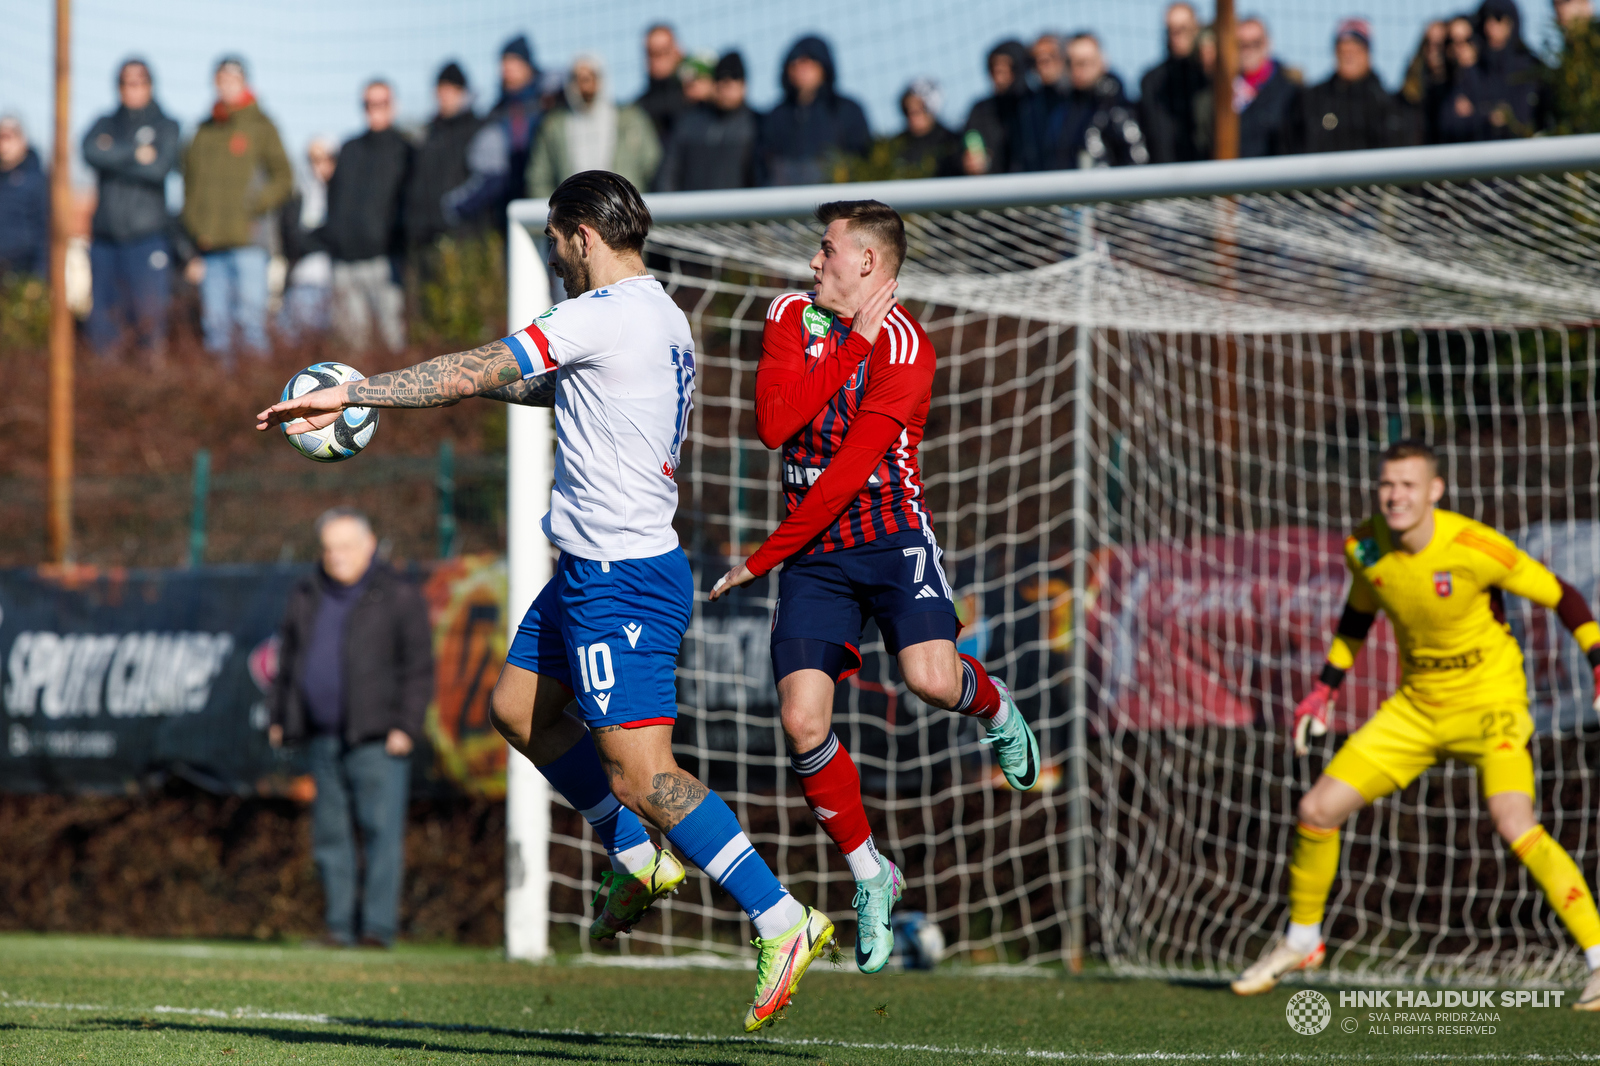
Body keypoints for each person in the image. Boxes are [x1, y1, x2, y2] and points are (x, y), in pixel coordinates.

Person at [258, 171, 833, 1033]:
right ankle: (636, 857)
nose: (555, 259)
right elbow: (544, 385)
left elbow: (471, 371)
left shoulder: (599, 313)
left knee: (644, 773)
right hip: (588, 574)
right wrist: (462, 380)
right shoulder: (657, 312)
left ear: (581, 236)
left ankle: (781, 917)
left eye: (557, 244)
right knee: (517, 709)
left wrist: (355, 390)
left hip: (621, 583)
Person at [708, 200, 1041, 975]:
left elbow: (849, 475)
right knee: (800, 721)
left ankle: (994, 708)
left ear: (868, 263)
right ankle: (870, 875)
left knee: (930, 678)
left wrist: (761, 560)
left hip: (889, 540)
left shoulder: (908, 346)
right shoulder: (790, 313)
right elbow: (773, 422)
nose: (812, 262)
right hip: (816, 557)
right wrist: (845, 345)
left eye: (826, 250)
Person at [1231, 441, 1600, 1010]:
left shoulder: (1474, 545)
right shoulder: (1366, 545)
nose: (1395, 495)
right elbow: (1359, 612)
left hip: (1489, 706)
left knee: (1514, 822)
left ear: (1434, 490)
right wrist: (1325, 690)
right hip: (1415, 710)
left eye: (1407, 484)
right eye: (1387, 485)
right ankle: (1302, 941)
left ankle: (1598, 957)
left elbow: (1563, 595)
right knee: (1316, 811)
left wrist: (1597, 661)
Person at [269, 507, 434, 949]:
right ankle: (338, 928)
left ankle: (377, 930)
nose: (336, 556)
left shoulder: (398, 595)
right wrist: (281, 717)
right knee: (330, 837)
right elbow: (287, 661)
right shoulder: (306, 593)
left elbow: (419, 669)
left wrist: (406, 725)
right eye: (328, 548)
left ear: (370, 546)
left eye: (345, 547)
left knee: (381, 834)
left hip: (378, 738)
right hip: (322, 737)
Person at [181, 56, 292, 356]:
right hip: (210, 247)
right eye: (221, 80)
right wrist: (195, 228)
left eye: (233, 79)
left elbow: (284, 177)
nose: (226, 86)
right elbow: (189, 186)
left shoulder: (262, 125)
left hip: (249, 242)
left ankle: (260, 397)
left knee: (251, 324)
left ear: (245, 82)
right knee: (215, 329)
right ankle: (222, 400)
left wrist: (254, 205)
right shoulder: (203, 131)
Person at [82, 58, 180, 359]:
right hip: (105, 240)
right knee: (102, 328)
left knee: (148, 326)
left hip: (146, 239)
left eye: (139, 82)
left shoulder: (167, 125)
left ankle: (149, 396)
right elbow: (89, 151)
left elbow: (160, 168)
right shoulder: (104, 122)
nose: (132, 89)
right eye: (126, 82)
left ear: (150, 85)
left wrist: (113, 155)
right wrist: (137, 154)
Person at [323, 80, 410, 353]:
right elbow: (334, 200)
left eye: (381, 103)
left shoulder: (406, 150)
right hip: (345, 261)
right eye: (368, 104)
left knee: (394, 341)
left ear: (393, 106)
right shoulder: (349, 149)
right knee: (351, 349)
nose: (375, 110)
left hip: (385, 260)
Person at [526, 56, 661, 200]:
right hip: (574, 214)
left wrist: (636, 206)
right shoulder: (553, 126)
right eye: (579, 78)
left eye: (590, 77)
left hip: (624, 212)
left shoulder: (631, 119)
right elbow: (538, 177)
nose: (585, 85)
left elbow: (652, 166)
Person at [759, 35, 871, 186]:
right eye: (794, 63)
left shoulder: (847, 110)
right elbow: (761, 165)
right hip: (785, 203)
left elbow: (863, 160)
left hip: (837, 202)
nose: (801, 69)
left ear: (824, 66)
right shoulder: (775, 116)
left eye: (808, 62)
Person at [1291, 20, 1410, 154]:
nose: (1348, 56)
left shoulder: (1386, 104)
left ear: (1367, 54)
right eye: (1343, 50)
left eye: (1355, 50)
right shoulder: (1312, 99)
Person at [406, 62, 485, 256]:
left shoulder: (478, 130)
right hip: (425, 238)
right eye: (441, 90)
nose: (444, 96)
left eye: (450, 90)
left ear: (462, 91)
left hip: (465, 238)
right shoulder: (427, 135)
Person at [655, 51, 758, 192]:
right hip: (693, 209)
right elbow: (669, 171)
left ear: (743, 85)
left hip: (741, 209)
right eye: (721, 81)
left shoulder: (756, 124)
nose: (725, 89)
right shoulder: (689, 123)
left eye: (732, 81)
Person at [277, 136, 336, 338]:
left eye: (326, 158)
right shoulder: (297, 197)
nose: (319, 166)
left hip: (337, 280)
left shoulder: (344, 195)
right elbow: (291, 239)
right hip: (303, 279)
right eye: (313, 159)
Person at [1139, 3, 1208, 163]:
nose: (1175, 36)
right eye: (1171, 30)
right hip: (1165, 174)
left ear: (1196, 30)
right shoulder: (1151, 82)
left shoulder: (1209, 78)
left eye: (1182, 29)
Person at [1473, 0, 1551, 136]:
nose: (1490, 26)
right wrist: (1486, 118)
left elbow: (1533, 118)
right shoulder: (1472, 68)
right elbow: (1452, 120)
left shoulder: (1531, 66)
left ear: (1511, 23)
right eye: (1485, 19)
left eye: (1498, 18)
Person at [961, 40, 1031, 175]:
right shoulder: (980, 110)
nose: (998, 79)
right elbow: (966, 146)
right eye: (994, 71)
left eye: (1004, 71)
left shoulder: (1035, 106)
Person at [1234, 18, 1300, 158]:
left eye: (1255, 43)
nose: (1248, 50)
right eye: (1242, 44)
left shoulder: (1290, 90)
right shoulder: (1223, 89)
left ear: (1267, 43)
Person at [0, 115, 49, 281]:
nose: (4, 145)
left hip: (23, 270)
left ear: (22, 141)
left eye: (9, 138)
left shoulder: (36, 180)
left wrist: (40, 276)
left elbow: (45, 231)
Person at [885, 79, 962, 178]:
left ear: (932, 108)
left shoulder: (952, 143)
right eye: (907, 110)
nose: (912, 115)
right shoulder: (896, 145)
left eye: (919, 109)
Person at [1400, 20, 1452, 144]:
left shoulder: (1460, 88)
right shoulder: (1410, 93)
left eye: (1440, 44)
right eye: (1428, 43)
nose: (1434, 51)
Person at [636, 24, 687, 146]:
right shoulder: (638, 110)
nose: (656, 60)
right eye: (651, 53)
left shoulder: (693, 101)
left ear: (678, 52)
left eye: (663, 52)